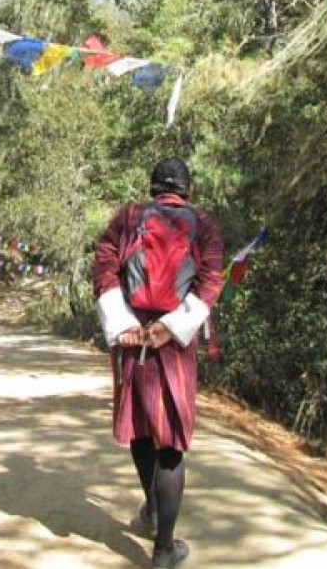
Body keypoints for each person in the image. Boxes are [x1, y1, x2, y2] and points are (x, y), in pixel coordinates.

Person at [92, 158, 224, 568]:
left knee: (140, 429)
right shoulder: (205, 226)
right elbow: (210, 281)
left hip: (132, 338)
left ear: (152, 187)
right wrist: (171, 327)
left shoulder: (128, 217)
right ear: (188, 189)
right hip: (173, 344)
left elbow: (104, 267)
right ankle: (164, 547)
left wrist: (125, 325)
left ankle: (151, 509)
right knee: (171, 443)